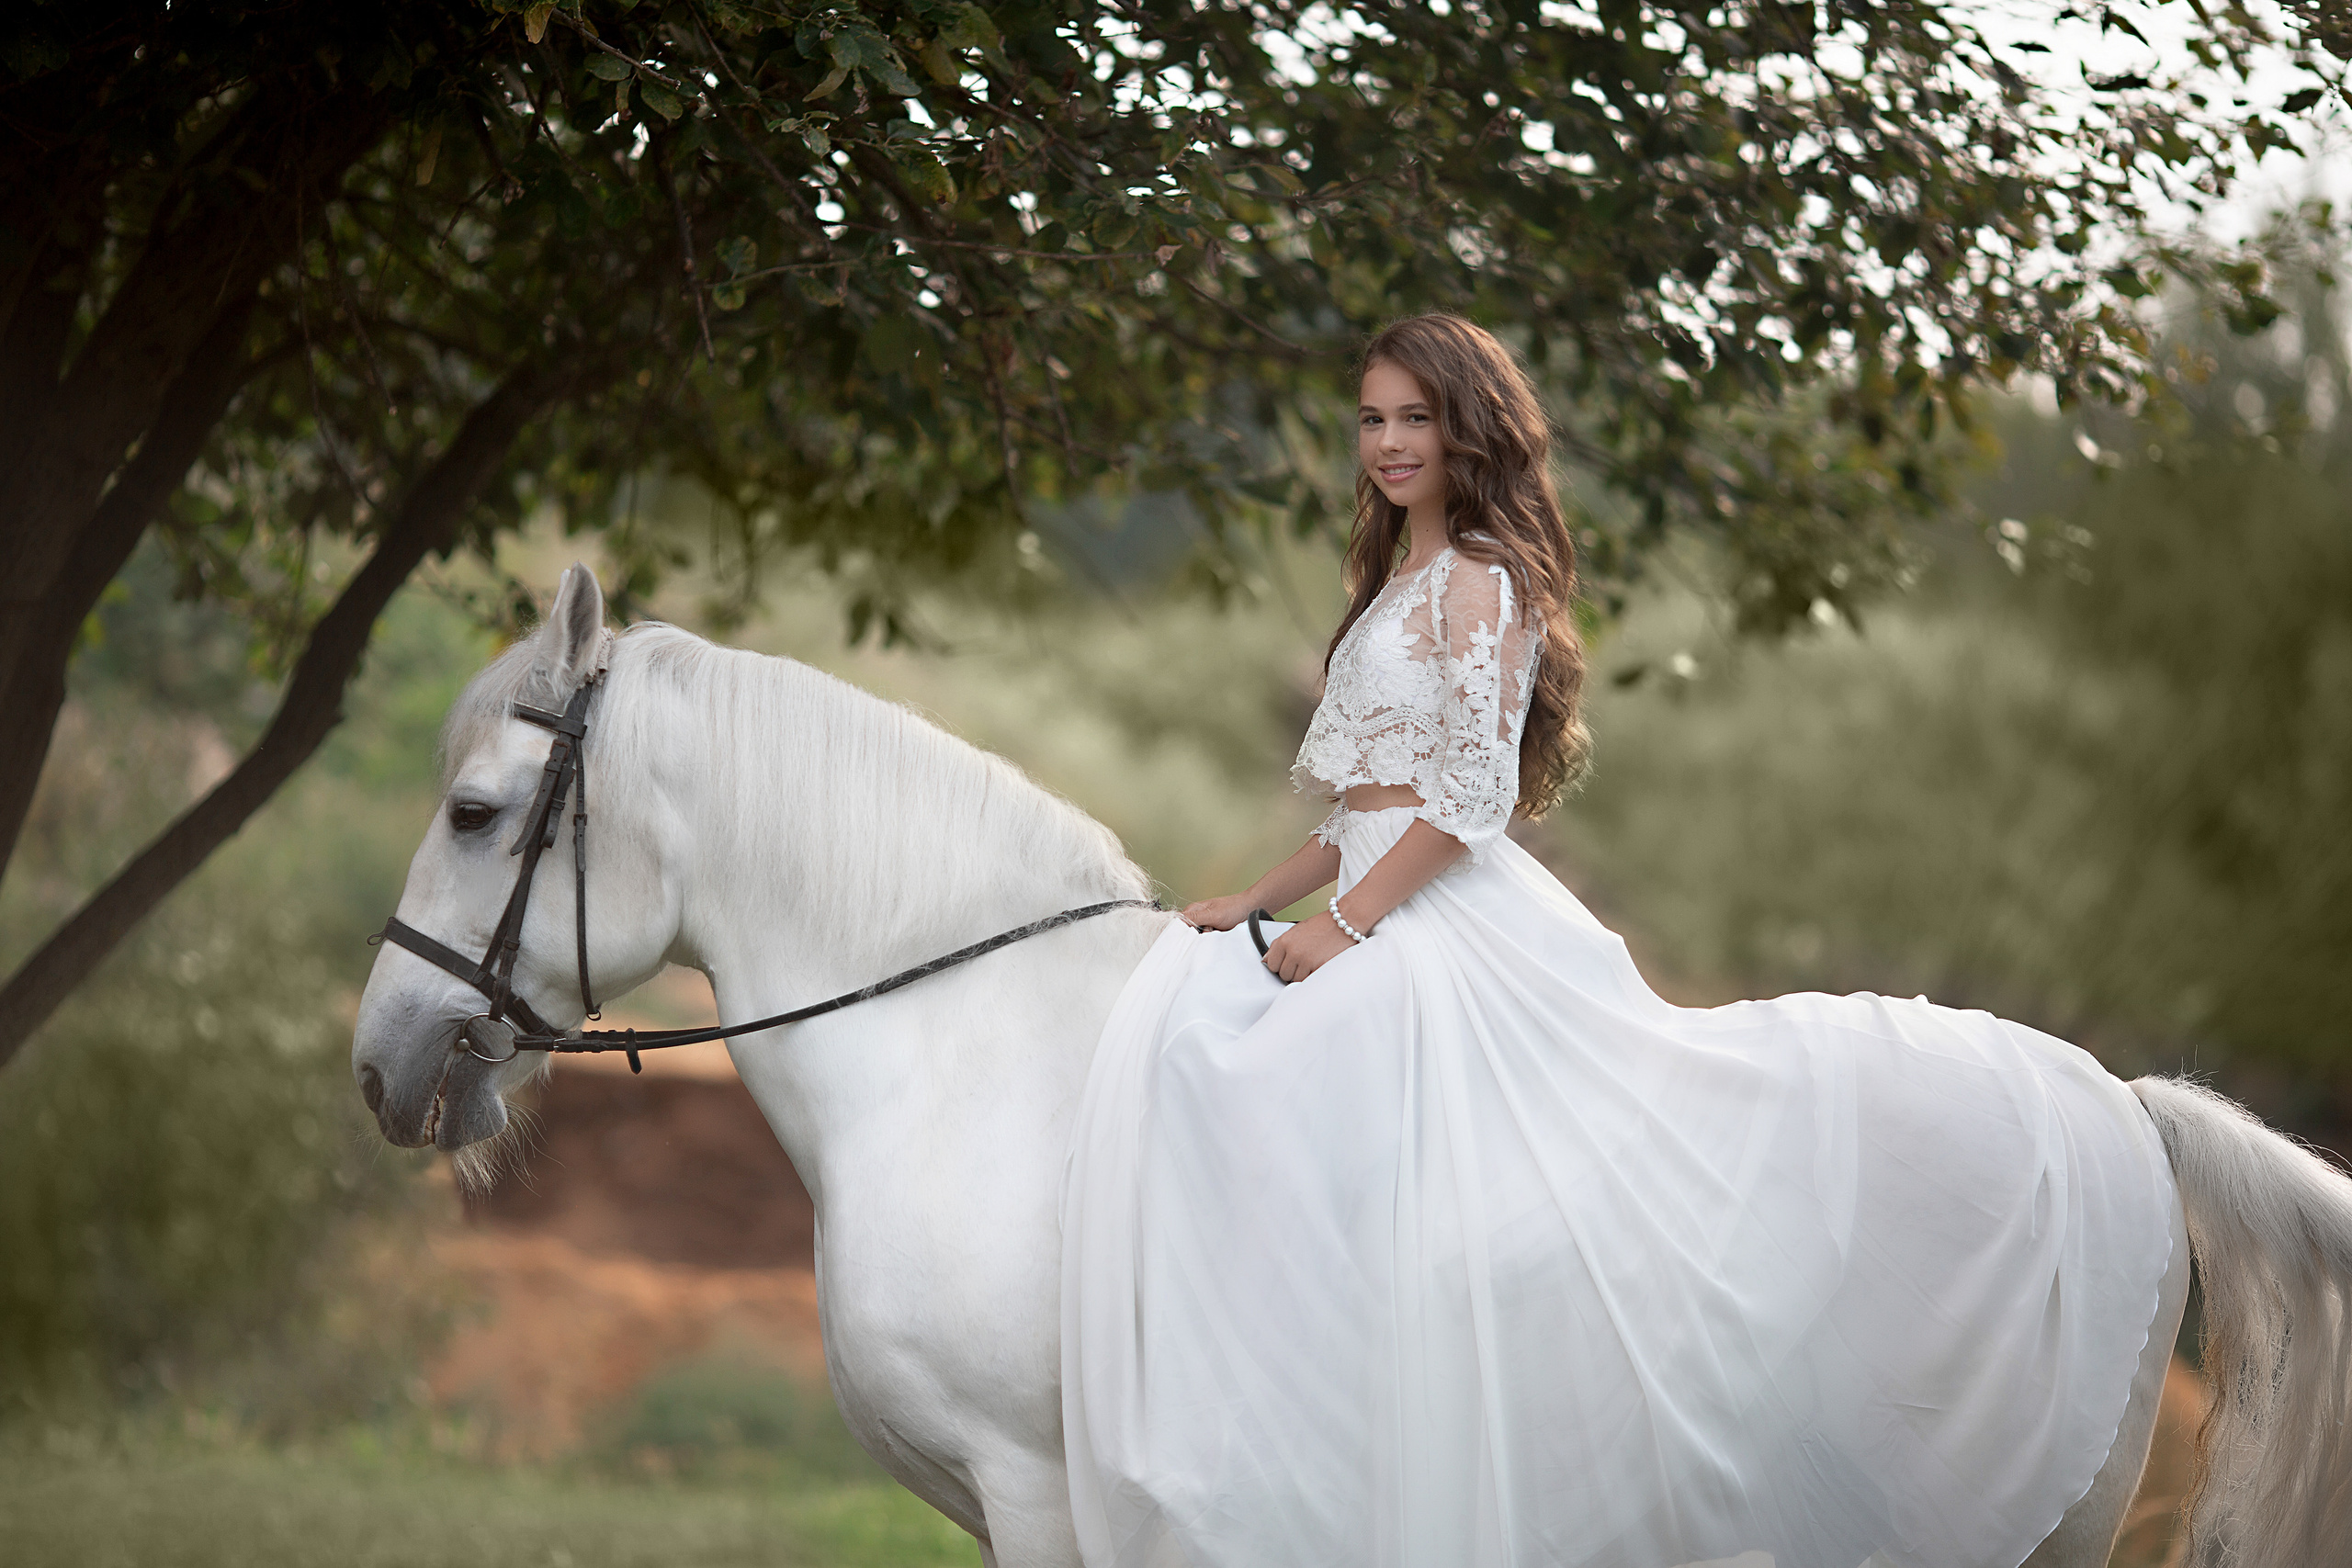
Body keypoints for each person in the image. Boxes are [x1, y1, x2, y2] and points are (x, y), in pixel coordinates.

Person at [1057, 315, 2177, 1568]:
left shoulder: (1482, 582)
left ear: (1466, 428)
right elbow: (1359, 805)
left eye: (1414, 418)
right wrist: (1256, 900)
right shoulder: (1390, 585)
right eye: (1372, 418)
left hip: (1442, 924)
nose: (1387, 443)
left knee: (1302, 1110)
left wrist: (1348, 929)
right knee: (1230, 1052)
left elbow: (1466, 805)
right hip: (1378, 896)